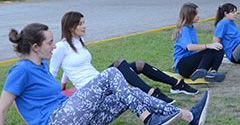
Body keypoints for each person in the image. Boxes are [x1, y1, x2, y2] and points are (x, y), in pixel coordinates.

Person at [0, 23, 210, 125]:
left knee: (122, 95)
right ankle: (148, 120)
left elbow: (24, 102)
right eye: (50, 42)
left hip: (75, 121)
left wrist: (31, 122)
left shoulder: (42, 65)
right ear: (35, 47)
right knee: (111, 74)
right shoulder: (20, 71)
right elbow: (2, 108)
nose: (55, 46)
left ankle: (189, 116)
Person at [50, 12, 198, 105]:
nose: (85, 26)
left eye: (84, 22)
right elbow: (52, 73)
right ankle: (151, 92)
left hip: (98, 79)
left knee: (140, 65)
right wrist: (57, 96)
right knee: (119, 63)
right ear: (70, 27)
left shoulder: (78, 42)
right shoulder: (60, 47)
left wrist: (64, 86)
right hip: (90, 89)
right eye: (80, 24)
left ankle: (177, 84)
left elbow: (68, 68)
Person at [173, 3, 226, 82]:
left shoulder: (191, 27)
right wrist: (208, 45)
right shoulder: (184, 29)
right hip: (184, 66)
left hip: (191, 64)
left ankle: (213, 73)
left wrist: (212, 46)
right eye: (196, 14)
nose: (198, 16)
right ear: (189, 15)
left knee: (219, 47)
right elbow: (190, 47)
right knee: (210, 49)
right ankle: (200, 71)